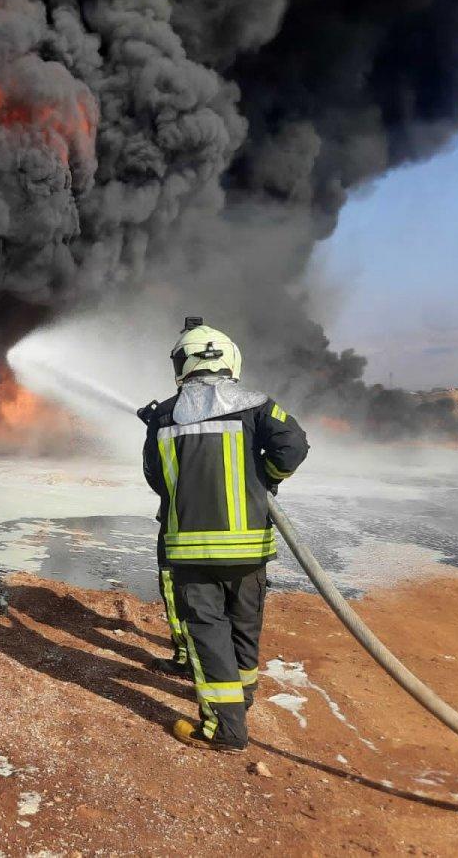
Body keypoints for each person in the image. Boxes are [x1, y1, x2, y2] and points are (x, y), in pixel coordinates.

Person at [141, 318, 309, 751]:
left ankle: (225, 728)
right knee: (243, 626)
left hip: (191, 553)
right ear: (230, 359)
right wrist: (265, 478)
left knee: (206, 634)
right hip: (250, 549)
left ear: (182, 363)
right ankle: (242, 700)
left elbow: (156, 479)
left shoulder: (163, 416)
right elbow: (294, 445)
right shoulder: (257, 406)